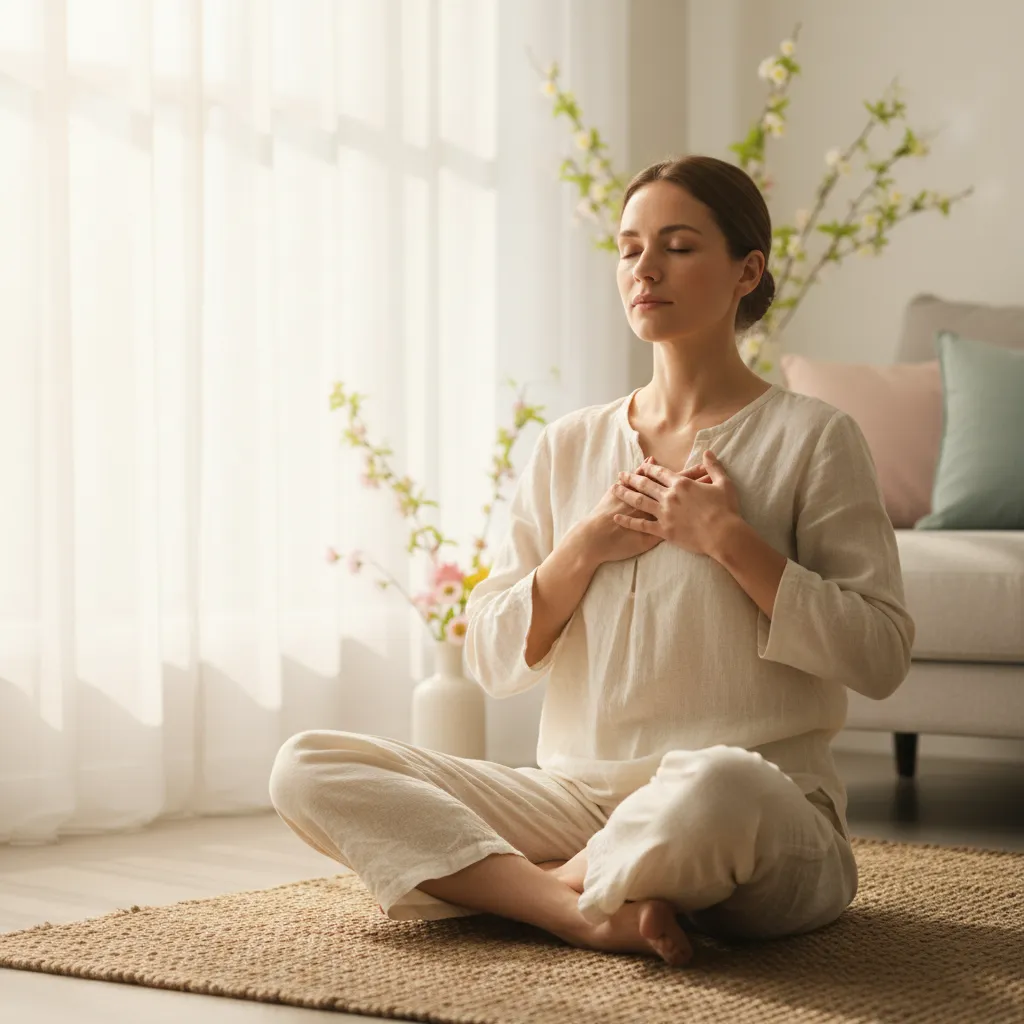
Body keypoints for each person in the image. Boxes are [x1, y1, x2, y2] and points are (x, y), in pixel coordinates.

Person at [269, 155, 915, 969]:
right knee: (308, 766)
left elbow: (881, 655)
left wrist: (729, 540)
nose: (645, 268)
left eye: (677, 246)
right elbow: (494, 656)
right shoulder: (569, 444)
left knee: (718, 786)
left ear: (747, 269)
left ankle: (532, 887)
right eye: (629, 247)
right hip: (574, 799)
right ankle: (572, 905)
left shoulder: (816, 437)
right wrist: (586, 543)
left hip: (758, 802)